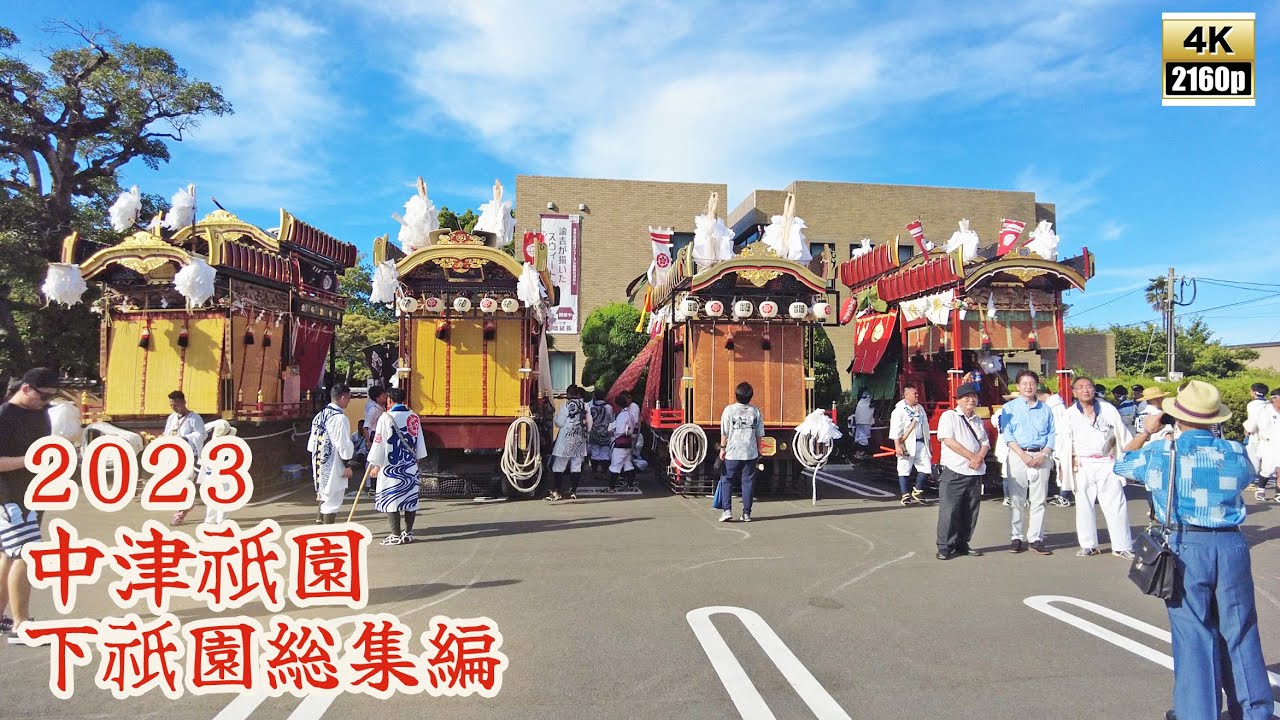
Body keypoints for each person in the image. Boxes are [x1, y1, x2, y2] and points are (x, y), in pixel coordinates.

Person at [1115, 381, 1274, 720]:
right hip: (1231, 543)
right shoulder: (1233, 451)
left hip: (1186, 544)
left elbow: (1122, 466)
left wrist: (1146, 432)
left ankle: (1197, 712)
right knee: (1240, 627)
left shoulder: (1162, 452)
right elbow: (1247, 476)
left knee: (1194, 632)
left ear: (1176, 417)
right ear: (1213, 418)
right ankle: (1253, 710)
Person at [0, 368, 57, 638]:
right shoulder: (4, 417)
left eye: (50, 399)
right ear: (25, 388)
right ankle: (21, 624)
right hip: (9, 496)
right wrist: (30, 460)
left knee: (9, 555)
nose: (45, 402)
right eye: (42, 396)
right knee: (26, 553)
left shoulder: (40, 414)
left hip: (34, 494)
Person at [1054, 376, 1134, 558]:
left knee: (1116, 504)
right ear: (1074, 392)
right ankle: (1089, 544)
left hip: (1108, 461)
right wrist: (1062, 465)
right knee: (1083, 505)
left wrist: (1125, 462)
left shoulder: (1108, 409)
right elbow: (1062, 442)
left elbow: (1123, 436)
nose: (1085, 390)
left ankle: (1122, 546)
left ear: (1093, 389)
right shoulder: (1069, 414)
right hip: (1082, 463)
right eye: (1080, 387)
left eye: (1088, 386)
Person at [1000, 371, 1056, 555]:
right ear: (1017, 386)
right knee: (1017, 499)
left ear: (1036, 385)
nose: (1028, 386)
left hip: (1041, 455)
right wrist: (1023, 456)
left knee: (1039, 500)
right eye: (1024, 383)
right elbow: (1008, 435)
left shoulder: (1046, 409)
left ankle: (1036, 538)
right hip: (1018, 455)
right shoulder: (1009, 408)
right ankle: (1016, 537)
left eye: (1032, 383)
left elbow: (1051, 434)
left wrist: (1044, 453)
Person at [935, 382, 988, 560]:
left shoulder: (978, 419)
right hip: (954, 470)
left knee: (970, 510)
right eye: (967, 397)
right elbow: (948, 440)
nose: (971, 400)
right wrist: (971, 457)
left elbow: (985, 443)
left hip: (975, 472)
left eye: (973, 396)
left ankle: (962, 543)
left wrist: (979, 456)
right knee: (949, 510)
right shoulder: (949, 416)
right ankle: (944, 546)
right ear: (958, 400)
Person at [368, 387, 428, 545]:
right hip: (409, 464)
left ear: (389, 400)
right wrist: (417, 459)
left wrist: (375, 464)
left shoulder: (385, 417)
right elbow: (419, 441)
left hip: (390, 465)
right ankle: (408, 532)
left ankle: (395, 534)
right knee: (410, 499)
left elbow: (379, 441)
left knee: (391, 498)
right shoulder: (413, 417)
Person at [714, 382, 765, 522]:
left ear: (736, 395)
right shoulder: (756, 411)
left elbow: (724, 432)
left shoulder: (729, 410)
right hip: (750, 452)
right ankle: (747, 513)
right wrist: (760, 449)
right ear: (751, 396)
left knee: (727, 480)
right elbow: (759, 433)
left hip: (732, 451)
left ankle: (727, 510)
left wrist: (722, 448)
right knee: (747, 481)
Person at [307, 384, 354, 524]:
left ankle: (320, 523)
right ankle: (327, 530)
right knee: (333, 496)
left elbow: (311, 444)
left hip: (318, 461)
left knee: (323, 492)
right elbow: (343, 444)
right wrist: (347, 464)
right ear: (343, 397)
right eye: (349, 398)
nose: (349, 401)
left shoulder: (319, 416)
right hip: (334, 462)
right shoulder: (340, 418)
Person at [165, 390, 208, 526]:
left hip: (190, 455)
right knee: (176, 485)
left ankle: (180, 513)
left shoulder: (194, 418)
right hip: (174, 456)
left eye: (176, 404)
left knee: (186, 483)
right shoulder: (172, 418)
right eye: (172, 405)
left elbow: (201, 434)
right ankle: (185, 506)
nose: (174, 407)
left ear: (184, 402)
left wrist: (186, 438)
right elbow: (167, 433)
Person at [889, 385, 931, 506]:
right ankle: (905, 495)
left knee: (926, 468)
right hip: (906, 443)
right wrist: (897, 445)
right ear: (906, 395)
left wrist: (928, 443)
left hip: (921, 442)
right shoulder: (899, 410)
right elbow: (896, 429)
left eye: (917, 393)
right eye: (914, 394)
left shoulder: (920, 408)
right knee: (904, 468)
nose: (917, 395)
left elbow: (925, 426)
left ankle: (917, 491)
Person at [547, 385, 591, 500]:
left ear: (569, 394)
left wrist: (554, 419)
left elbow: (560, 423)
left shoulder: (566, 405)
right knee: (576, 466)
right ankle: (573, 491)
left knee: (559, 466)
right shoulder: (585, 405)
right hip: (580, 438)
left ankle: (557, 491)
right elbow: (589, 424)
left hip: (566, 439)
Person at [1039, 385, 1074, 508]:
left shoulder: (1054, 407)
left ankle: (1065, 496)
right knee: (1062, 467)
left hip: (1060, 440)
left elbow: (1057, 428)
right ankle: (1064, 494)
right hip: (1059, 440)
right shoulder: (1057, 405)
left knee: (1063, 467)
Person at [1242, 382, 1271, 501]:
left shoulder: (1252, 404)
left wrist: (1247, 429)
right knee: (1265, 460)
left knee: (1252, 458)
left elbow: (1252, 421)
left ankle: (1251, 482)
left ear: (1254, 392)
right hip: (1268, 436)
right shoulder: (1268, 404)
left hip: (1255, 435)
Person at [607, 395, 638, 492]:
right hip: (628, 442)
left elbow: (620, 430)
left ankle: (611, 487)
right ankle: (630, 484)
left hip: (620, 442)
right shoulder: (629, 414)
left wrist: (612, 432)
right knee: (628, 464)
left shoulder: (622, 415)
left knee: (615, 465)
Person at [586, 389, 615, 478]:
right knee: (605, 454)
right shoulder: (609, 408)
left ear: (594, 397)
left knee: (595, 453)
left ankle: (594, 472)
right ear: (605, 397)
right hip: (606, 434)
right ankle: (604, 473)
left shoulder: (591, 408)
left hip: (594, 434)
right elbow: (612, 421)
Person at [853, 389, 874, 459]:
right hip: (865, 418)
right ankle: (864, 452)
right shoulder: (872, 395)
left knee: (860, 436)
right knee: (865, 437)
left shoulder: (862, 397)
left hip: (859, 418)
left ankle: (860, 452)